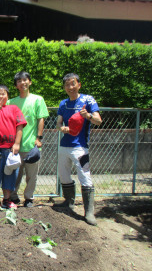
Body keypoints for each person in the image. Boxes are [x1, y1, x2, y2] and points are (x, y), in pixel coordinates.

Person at [54, 73, 102, 226]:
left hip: (81, 147)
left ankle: (89, 212)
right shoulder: (63, 103)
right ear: (64, 87)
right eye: (67, 85)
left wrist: (87, 115)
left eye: (73, 84)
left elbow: (98, 121)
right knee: (64, 174)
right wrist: (63, 128)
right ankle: (69, 202)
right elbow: (58, 124)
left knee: (85, 176)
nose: (70, 87)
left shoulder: (88, 100)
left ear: (79, 85)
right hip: (64, 145)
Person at [6, 71, 49, 207]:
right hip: (15, 146)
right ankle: (13, 197)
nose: (22, 83)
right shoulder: (10, 102)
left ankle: (29, 198)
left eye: (25, 80)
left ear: (29, 82)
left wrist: (39, 138)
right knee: (15, 175)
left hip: (31, 146)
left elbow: (40, 119)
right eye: (19, 81)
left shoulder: (38, 99)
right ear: (16, 85)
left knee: (31, 176)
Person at [0, 85, 27, 209]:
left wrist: (17, 143)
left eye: (3, 94)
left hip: (10, 149)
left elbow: (20, 126)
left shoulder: (14, 108)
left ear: (7, 96)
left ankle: (7, 200)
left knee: (10, 174)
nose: (0, 96)